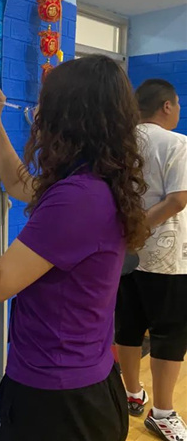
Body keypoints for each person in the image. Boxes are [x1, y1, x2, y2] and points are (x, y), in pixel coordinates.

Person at [0, 55, 149, 441]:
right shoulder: (95, 182)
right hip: (82, 387)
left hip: (59, 403)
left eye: (44, 105)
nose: (36, 115)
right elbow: (19, 183)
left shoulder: (77, 199)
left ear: (67, 117)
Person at [115, 79, 187, 440]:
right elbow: (177, 200)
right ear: (167, 106)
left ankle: (131, 393)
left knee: (128, 326)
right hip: (167, 260)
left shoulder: (118, 143)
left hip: (122, 256)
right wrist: (139, 229)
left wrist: (127, 235)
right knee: (169, 333)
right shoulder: (177, 143)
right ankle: (162, 412)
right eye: (177, 105)